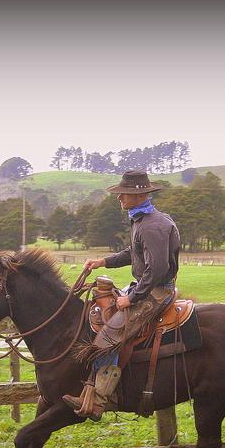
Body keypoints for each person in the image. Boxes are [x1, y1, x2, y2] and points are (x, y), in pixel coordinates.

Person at [63, 170, 181, 421]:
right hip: (148, 286)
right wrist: (102, 261)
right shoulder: (142, 220)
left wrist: (133, 297)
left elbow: (157, 269)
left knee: (110, 334)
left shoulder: (152, 225)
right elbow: (133, 253)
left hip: (156, 292)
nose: (119, 199)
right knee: (105, 319)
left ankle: (99, 399)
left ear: (139, 195)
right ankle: (91, 389)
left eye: (122, 194)